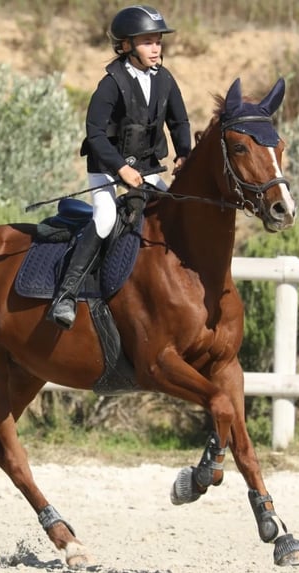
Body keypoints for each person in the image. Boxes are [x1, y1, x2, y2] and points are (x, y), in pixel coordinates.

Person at [47, 4, 192, 330]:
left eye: (158, 41)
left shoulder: (165, 80)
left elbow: (179, 121)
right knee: (105, 218)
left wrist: (184, 153)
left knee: (171, 213)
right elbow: (95, 133)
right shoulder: (111, 83)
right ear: (126, 45)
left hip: (146, 167)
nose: (156, 48)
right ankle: (66, 295)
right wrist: (119, 169)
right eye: (147, 41)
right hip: (106, 166)